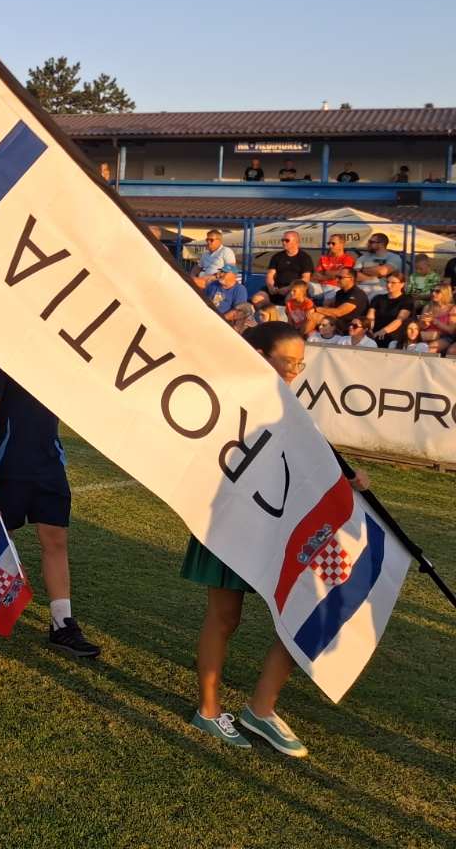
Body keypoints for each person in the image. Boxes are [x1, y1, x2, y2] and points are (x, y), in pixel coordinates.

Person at [183, 321, 372, 756]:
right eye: (287, 362)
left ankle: (261, 708)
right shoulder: (228, 397)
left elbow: (310, 458)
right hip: (231, 522)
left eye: (300, 364)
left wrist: (348, 478)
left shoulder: (291, 407)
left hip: (280, 526)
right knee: (224, 617)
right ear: (257, 355)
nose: (294, 371)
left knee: (306, 609)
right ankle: (208, 711)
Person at [0, 364, 100, 657]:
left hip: (49, 462)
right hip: (9, 460)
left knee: (55, 538)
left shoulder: (61, 358)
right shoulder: (10, 356)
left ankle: (61, 623)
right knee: (0, 531)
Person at [308, 268, 368, 335]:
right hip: (338, 322)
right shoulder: (340, 292)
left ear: (351, 279)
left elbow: (339, 312)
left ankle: (301, 337)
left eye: (340, 277)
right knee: (309, 314)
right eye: (336, 277)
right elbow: (329, 305)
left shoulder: (357, 294)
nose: (336, 280)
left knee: (316, 316)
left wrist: (316, 309)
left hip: (350, 326)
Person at [366, 273, 413, 348]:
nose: (388, 285)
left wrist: (382, 331)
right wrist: (370, 330)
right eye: (387, 282)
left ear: (402, 284)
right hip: (375, 333)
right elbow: (370, 317)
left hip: (393, 335)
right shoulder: (377, 298)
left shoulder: (407, 300)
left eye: (393, 283)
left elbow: (399, 320)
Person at [264, 232, 314, 302]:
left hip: (294, 289)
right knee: (257, 298)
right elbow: (270, 275)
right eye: (282, 240)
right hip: (277, 288)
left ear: (296, 242)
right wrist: (270, 287)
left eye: (287, 240)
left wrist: (289, 288)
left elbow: (305, 279)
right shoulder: (277, 256)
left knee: (289, 299)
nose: (283, 242)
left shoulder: (305, 258)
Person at [352, 233, 402, 300]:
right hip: (362, 287)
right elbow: (354, 275)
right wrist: (372, 277)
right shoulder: (363, 257)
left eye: (371, 242)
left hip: (383, 288)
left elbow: (382, 272)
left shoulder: (394, 257)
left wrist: (362, 270)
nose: (368, 244)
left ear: (381, 244)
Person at [312, 234, 354, 299]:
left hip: (335, 287)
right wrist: (332, 275)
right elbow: (315, 275)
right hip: (320, 286)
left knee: (330, 296)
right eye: (329, 243)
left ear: (342, 244)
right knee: (302, 285)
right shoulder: (323, 258)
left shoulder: (348, 259)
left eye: (333, 243)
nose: (330, 246)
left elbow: (341, 275)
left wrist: (325, 272)